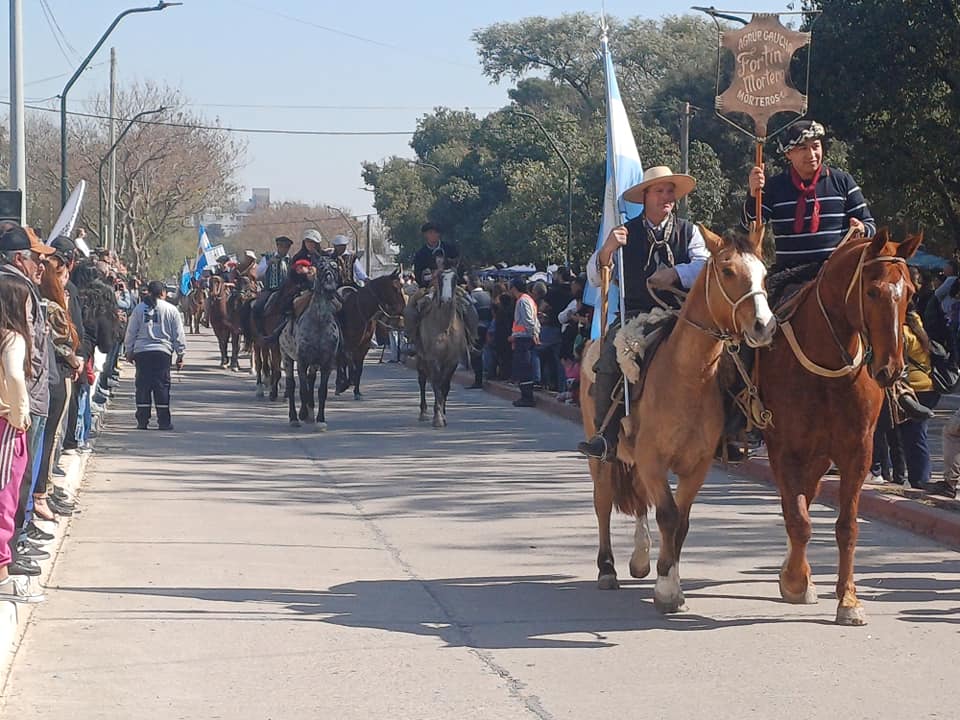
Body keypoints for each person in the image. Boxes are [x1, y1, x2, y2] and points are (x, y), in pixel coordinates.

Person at [578, 166, 707, 461]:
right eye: (659, 191)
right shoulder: (624, 233)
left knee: (721, 355)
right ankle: (605, 435)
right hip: (635, 315)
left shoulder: (690, 231)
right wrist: (607, 250)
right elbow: (595, 277)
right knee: (609, 357)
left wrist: (676, 273)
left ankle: (729, 429)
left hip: (680, 315)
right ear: (645, 197)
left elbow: (705, 266)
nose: (666, 197)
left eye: (670, 191)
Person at [743, 120, 876, 278]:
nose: (811, 155)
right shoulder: (774, 187)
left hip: (836, 276)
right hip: (789, 277)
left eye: (815, 146)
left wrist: (862, 228)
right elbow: (749, 226)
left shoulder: (842, 181)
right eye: (803, 148)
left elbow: (870, 225)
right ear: (788, 153)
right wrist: (754, 194)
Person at [0, 224, 56, 575]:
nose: (42, 266)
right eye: (37, 259)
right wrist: (23, 409)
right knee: (13, 483)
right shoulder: (15, 288)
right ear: (20, 258)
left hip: (26, 399)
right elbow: (21, 364)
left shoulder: (23, 286)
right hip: (19, 405)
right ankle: (10, 550)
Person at [0, 279, 43, 602]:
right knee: (6, 495)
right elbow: (15, 376)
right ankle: (2, 574)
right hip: (7, 424)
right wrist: (21, 412)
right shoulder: (12, 338)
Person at [124, 281, 186, 431]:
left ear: (149, 292)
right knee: (162, 387)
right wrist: (180, 354)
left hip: (142, 353)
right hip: (162, 353)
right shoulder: (171, 310)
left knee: (143, 386)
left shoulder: (139, 309)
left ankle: (142, 421)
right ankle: (163, 422)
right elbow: (178, 334)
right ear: (163, 293)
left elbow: (131, 332)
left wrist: (129, 351)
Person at [253, 236, 293, 336]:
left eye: (287, 247)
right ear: (278, 246)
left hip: (287, 291)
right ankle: (259, 330)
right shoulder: (267, 257)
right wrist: (268, 263)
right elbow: (258, 273)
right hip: (270, 289)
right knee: (258, 306)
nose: (284, 249)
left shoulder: (291, 260)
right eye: (282, 246)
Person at [509, 278, 540, 407]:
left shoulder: (522, 301)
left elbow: (528, 320)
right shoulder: (527, 299)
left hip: (524, 339)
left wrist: (533, 334)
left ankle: (527, 397)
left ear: (514, 288)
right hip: (523, 338)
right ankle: (525, 396)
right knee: (524, 368)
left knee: (524, 369)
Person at [413, 223, 459, 288]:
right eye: (430, 232)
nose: (433, 235)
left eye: (436, 232)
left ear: (439, 234)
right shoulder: (420, 255)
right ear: (425, 235)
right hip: (430, 287)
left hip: (451, 284)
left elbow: (458, 266)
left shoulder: (450, 249)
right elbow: (418, 276)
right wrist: (433, 275)